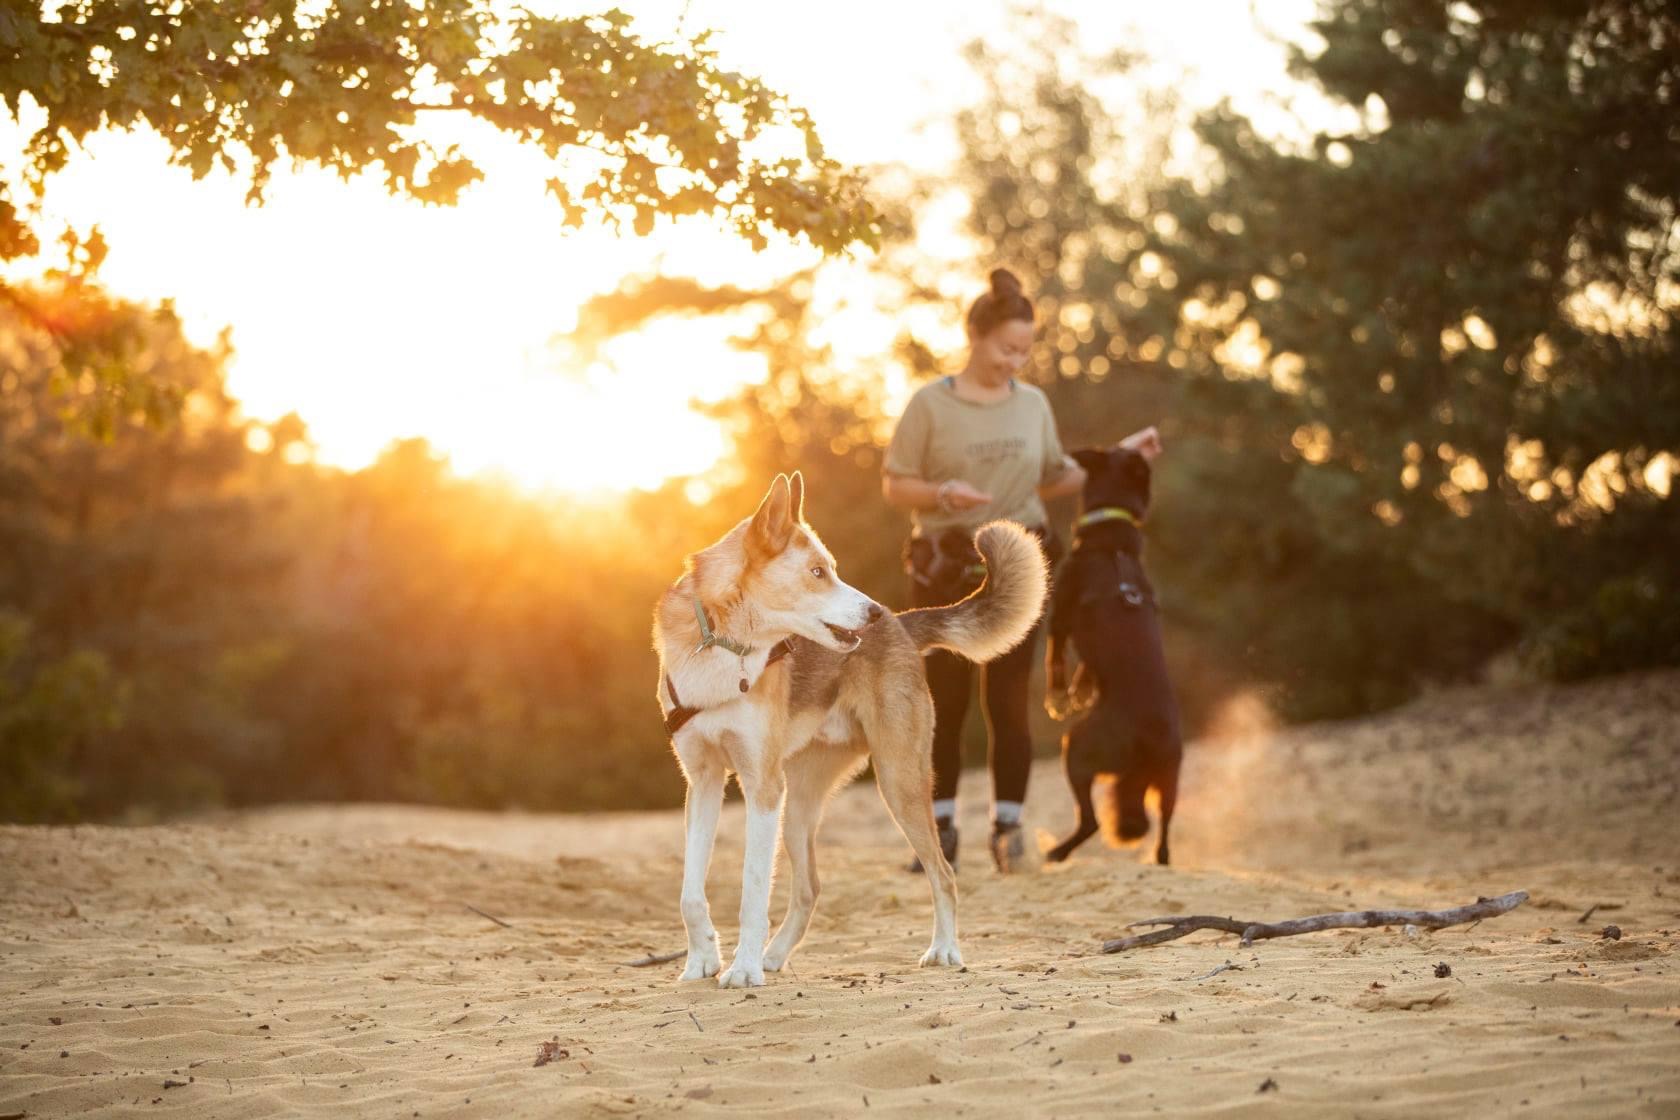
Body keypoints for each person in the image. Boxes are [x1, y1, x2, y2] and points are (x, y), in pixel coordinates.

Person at [882, 267, 1161, 873]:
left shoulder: (1032, 404)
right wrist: (941, 494)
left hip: (1020, 564)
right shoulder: (930, 404)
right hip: (945, 569)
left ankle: (1008, 834)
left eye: (1024, 350)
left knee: (1008, 702)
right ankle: (941, 833)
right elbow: (894, 485)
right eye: (1006, 347)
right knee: (944, 705)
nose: (1016, 360)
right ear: (976, 337)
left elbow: (1056, 475)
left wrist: (1123, 453)